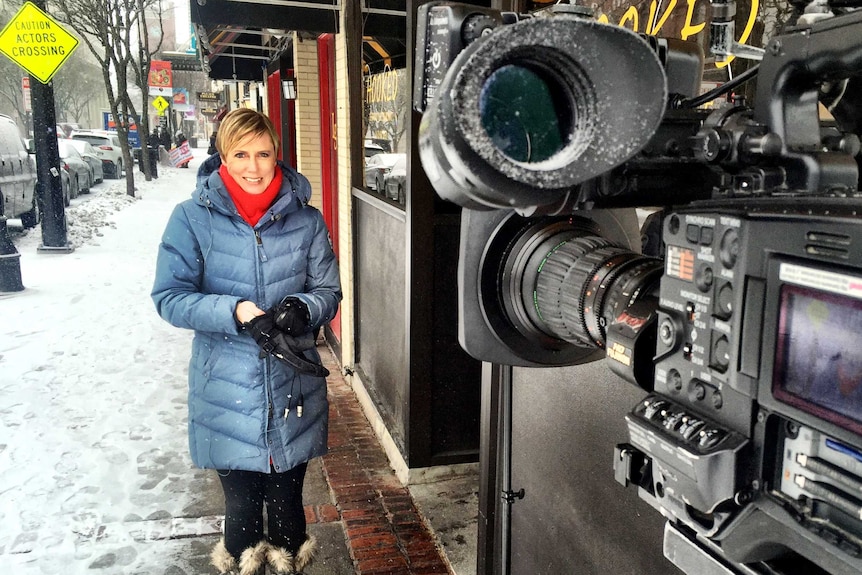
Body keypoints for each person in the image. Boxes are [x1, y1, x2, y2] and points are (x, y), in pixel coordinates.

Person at [151, 108, 341, 575]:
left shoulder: (307, 220)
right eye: (241, 154)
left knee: (287, 512)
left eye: (263, 154)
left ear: (278, 154)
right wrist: (234, 311)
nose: (253, 167)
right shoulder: (192, 219)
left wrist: (304, 307)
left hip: (291, 387)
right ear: (222, 155)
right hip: (225, 391)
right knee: (240, 514)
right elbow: (170, 297)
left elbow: (328, 292)